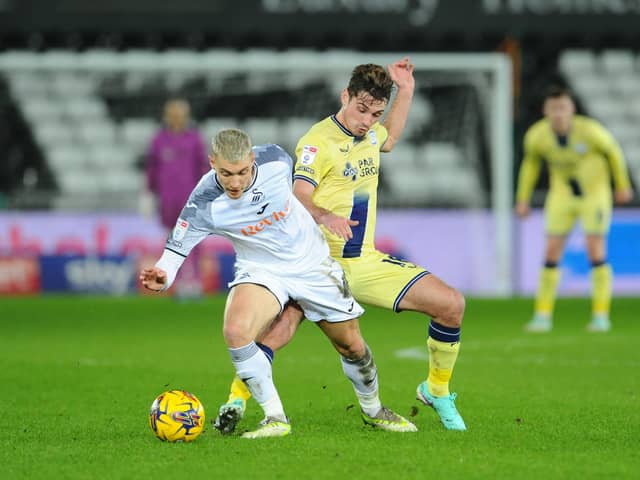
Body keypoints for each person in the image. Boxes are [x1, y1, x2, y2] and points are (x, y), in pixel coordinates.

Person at [216, 58, 467, 433]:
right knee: (279, 330)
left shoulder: (370, 135)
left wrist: (407, 91)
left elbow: (392, 138)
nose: (367, 120)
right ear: (345, 96)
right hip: (315, 265)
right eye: (361, 109)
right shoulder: (317, 142)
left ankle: (436, 390)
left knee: (451, 305)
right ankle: (235, 401)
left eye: (376, 113)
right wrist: (324, 215)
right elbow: (298, 193)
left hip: (363, 262)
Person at [140, 128, 417, 439]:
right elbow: (175, 250)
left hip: (312, 264)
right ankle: (275, 417)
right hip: (261, 270)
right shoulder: (203, 202)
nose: (235, 182)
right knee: (236, 331)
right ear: (212, 162)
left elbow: (306, 189)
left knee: (351, 346)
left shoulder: (276, 159)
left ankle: (373, 409)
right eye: (226, 173)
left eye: (243, 172)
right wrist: (163, 276)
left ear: (253, 160)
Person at [516, 85, 633, 333]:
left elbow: (614, 152)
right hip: (561, 196)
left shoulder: (590, 131)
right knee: (551, 253)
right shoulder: (537, 136)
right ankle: (542, 315)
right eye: (553, 108)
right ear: (545, 111)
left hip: (595, 196)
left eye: (563, 108)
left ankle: (601, 315)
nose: (558, 113)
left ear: (572, 109)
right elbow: (531, 165)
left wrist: (622, 185)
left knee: (595, 250)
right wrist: (522, 198)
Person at [146, 98, 209, 296]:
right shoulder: (159, 140)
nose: (176, 119)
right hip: (168, 200)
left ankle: (195, 281)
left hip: (191, 199)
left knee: (193, 239)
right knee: (172, 240)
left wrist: (207, 194)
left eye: (180, 115)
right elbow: (152, 169)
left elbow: (203, 168)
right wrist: (148, 193)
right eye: (173, 115)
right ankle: (178, 280)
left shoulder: (194, 139)